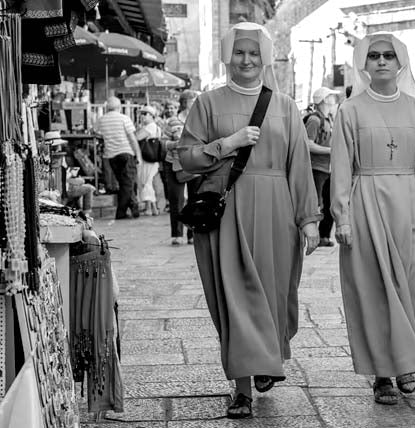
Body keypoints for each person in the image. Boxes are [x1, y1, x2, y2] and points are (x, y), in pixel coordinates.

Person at [178, 22, 321, 419]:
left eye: (253, 53)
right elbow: (184, 160)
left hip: (276, 209)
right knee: (235, 296)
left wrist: (309, 219)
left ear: (264, 58)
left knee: (274, 291)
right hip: (227, 211)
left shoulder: (286, 105)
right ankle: (242, 388)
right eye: (239, 52)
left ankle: (266, 356)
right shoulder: (207, 103)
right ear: (228, 56)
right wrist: (228, 144)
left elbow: (300, 165)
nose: (246, 60)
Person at [330, 32, 415, 406]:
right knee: (375, 290)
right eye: (374, 55)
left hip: (410, 204)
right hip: (366, 203)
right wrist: (342, 217)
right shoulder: (349, 111)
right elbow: (340, 169)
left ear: (401, 63)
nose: (382, 61)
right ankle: (385, 373)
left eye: (389, 55)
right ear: (364, 64)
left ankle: (406, 355)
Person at [94, 96, 142, 219]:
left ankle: (134, 207)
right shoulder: (124, 118)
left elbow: (95, 132)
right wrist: (138, 154)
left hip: (111, 156)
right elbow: (132, 138)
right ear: (119, 107)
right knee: (128, 183)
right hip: (126, 152)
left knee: (124, 182)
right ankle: (121, 212)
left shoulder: (101, 120)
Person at [305, 87, 339, 247]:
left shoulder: (328, 119)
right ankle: (312, 235)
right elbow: (308, 144)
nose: (333, 99)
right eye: (331, 96)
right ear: (324, 100)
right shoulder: (314, 120)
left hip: (327, 168)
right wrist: (331, 151)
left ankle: (324, 236)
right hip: (316, 167)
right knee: (317, 203)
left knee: (329, 202)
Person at [161, 117, 198, 245]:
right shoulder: (172, 122)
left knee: (195, 200)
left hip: (195, 163)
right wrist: (178, 144)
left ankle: (193, 234)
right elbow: (163, 144)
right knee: (176, 200)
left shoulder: (200, 120)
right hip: (174, 164)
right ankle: (177, 234)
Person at [135, 105, 161, 216]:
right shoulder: (154, 127)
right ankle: (152, 207)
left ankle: (149, 208)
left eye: (145, 114)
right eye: (141, 114)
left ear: (152, 116)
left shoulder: (150, 126)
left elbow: (137, 137)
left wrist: (137, 129)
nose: (142, 116)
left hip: (147, 159)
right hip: (152, 159)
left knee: (145, 182)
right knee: (147, 182)